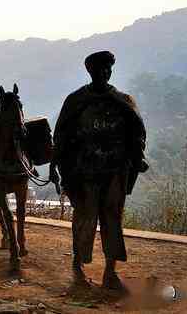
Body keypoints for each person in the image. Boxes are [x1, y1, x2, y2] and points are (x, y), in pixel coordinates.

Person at [49, 51, 148, 292]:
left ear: (111, 71)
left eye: (107, 69)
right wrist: (56, 165)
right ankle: (77, 266)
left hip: (114, 172)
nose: (104, 73)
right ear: (90, 72)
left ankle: (110, 272)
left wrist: (137, 155)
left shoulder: (123, 101)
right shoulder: (76, 101)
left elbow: (138, 132)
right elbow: (61, 135)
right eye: (98, 69)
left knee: (112, 219)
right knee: (84, 217)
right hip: (84, 172)